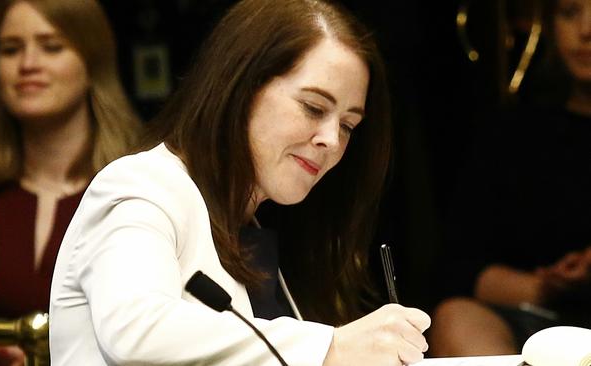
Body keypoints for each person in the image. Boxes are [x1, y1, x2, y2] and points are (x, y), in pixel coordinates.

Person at [49, 0, 431, 365]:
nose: (331, 140)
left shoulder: (253, 227)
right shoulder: (143, 185)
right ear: (240, 87)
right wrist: (330, 347)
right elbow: (134, 331)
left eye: (348, 125)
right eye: (313, 107)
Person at [0, 0, 141, 364]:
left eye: (52, 47)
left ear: (92, 61)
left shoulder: (143, 186)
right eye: (11, 49)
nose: (28, 64)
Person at [429, 0, 591, 356]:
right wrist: (547, 287)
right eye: (569, 13)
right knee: (455, 318)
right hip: (537, 322)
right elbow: (459, 267)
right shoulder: (514, 135)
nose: (586, 30)